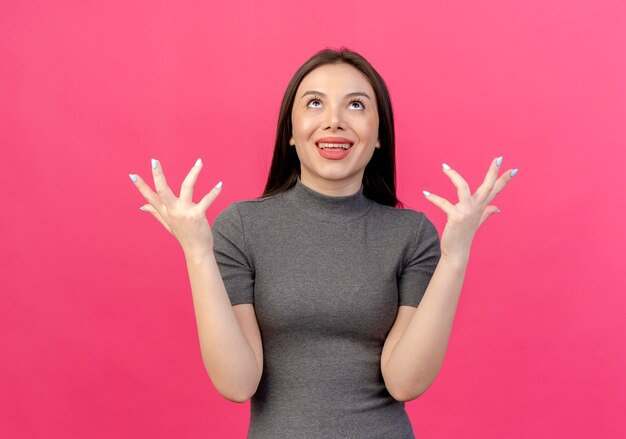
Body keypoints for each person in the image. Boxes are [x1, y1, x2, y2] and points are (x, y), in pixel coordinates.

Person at [129, 48, 518, 438]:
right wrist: (197, 252)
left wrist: (455, 256)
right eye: (315, 103)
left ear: (379, 135)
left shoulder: (412, 235)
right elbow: (237, 383)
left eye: (356, 105)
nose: (334, 121)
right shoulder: (242, 227)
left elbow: (405, 382)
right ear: (291, 133)